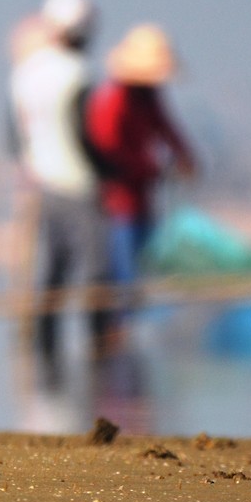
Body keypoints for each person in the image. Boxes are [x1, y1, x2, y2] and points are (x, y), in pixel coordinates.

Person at [7, 0, 108, 362]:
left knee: (52, 273)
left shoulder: (26, 71)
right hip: (79, 182)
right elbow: (85, 134)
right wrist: (106, 173)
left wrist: (29, 169)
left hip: (41, 184)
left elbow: (15, 134)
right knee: (97, 271)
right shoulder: (78, 73)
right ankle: (99, 347)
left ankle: (43, 349)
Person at [87, 23, 196, 345]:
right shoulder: (113, 101)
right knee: (123, 274)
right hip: (117, 204)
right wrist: (151, 169)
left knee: (141, 266)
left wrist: (183, 155)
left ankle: (132, 329)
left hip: (142, 199)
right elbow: (108, 154)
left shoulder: (148, 97)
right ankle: (118, 334)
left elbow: (166, 127)